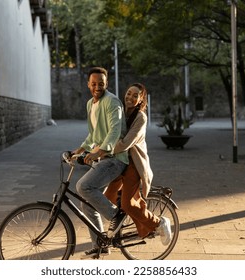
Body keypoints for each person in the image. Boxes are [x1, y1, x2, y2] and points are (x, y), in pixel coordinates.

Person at [104, 83, 172, 245]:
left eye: (136, 96)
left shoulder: (140, 117)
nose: (130, 97)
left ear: (141, 99)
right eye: (129, 93)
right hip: (119, 161)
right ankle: (130, 214)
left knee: (127, 204)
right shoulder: (119, 111)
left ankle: (158, 222)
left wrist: (103, 150)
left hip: (133, 164)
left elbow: (126, 143)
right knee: (107, 197)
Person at [71, 67, 128, 258]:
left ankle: (115, 215)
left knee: (83, 186)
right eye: (94, 83)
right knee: (87, 203)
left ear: (107, 83)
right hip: (102, 157)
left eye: (101, 84)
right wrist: (79, 149)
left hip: (115, 159)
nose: (97, 87)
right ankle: (101, 245)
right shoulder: (90, 104)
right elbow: (94, 133)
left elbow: (114, 131)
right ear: (88, 84)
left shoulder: (112, 102)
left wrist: (101, 151)